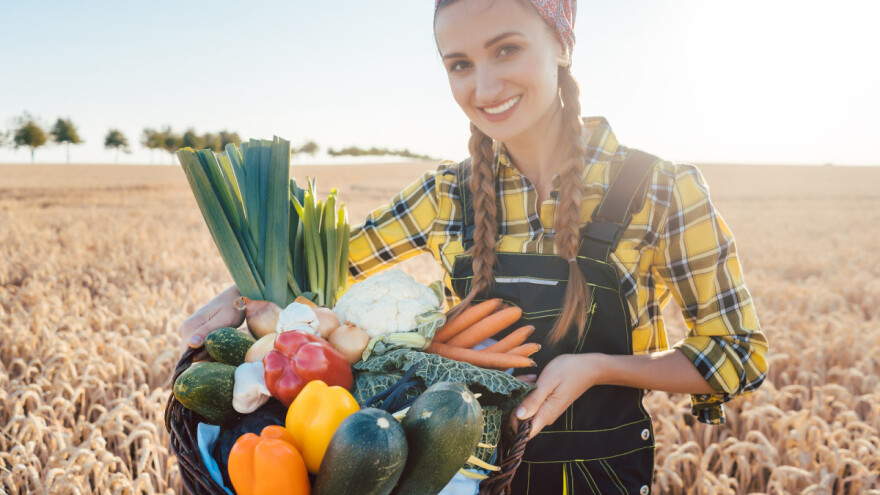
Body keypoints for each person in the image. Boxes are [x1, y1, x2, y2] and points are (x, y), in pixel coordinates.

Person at [179, 0, 769, 492]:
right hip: (463, 480)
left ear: (562, 45)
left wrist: (595, 368)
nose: (484, 87)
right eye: (459, 63)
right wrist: (249, 291)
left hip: (602, 476)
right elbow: (321, 273)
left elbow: (738, 354)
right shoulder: (446, 193)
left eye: (506, 49)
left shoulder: (659, 190)